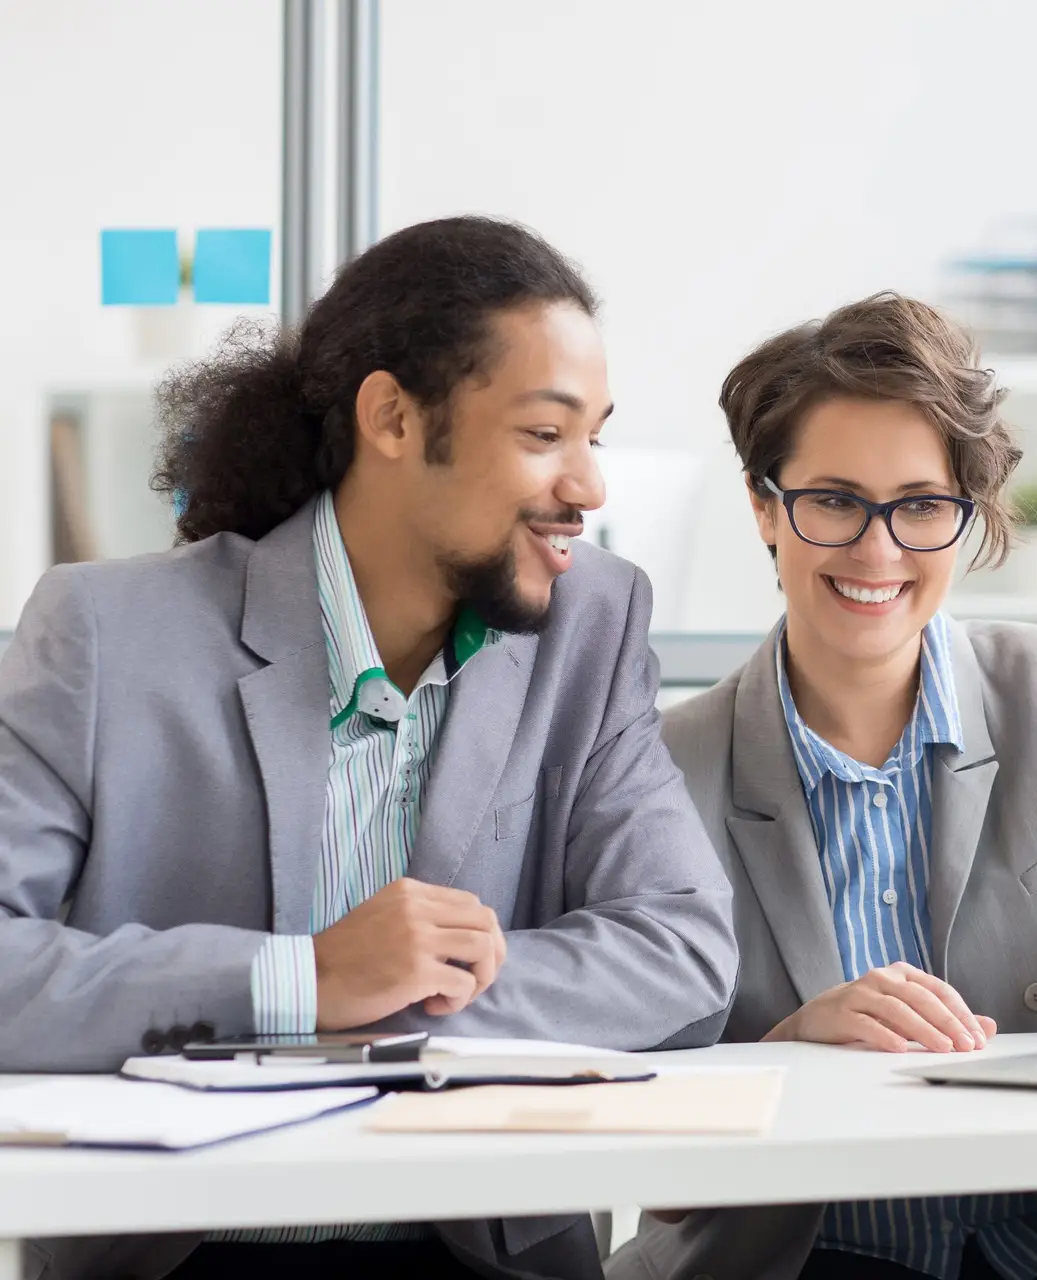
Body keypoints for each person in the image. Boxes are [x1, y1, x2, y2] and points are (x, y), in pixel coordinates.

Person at [0, 216, 737, 1280]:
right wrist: (301, 978)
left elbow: (681, 950)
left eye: (595, 437)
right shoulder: (111, 633)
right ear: (392, 417)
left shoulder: (593, 622)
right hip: (192, 1245)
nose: (589, 488)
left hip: (484, 1250)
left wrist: (396, 997)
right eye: (544, 435)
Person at [609, 294, 1037, 1280]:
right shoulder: (666, 764)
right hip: (797, 1248)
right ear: (765, 503)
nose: (879, 550)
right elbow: (640, 1127)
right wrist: (792, 1044)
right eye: (834, 499)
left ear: (966, 517)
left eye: (922, 505)